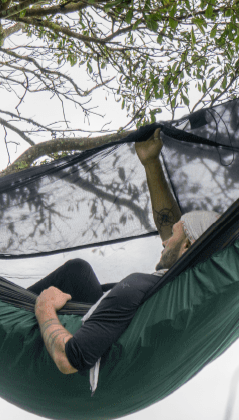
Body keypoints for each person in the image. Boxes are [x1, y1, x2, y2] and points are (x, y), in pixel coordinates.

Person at [32, 129, 220, 376]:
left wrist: (44, 307)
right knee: (80, 273)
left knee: (75, 270)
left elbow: (69, 360)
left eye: (172, 237)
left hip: (89, 345)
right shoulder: (190, 284)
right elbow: (174, 230)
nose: (164, 243)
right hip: (115, 327)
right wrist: (151, 162)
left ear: (187, 246)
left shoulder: (138, 286)